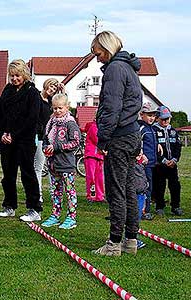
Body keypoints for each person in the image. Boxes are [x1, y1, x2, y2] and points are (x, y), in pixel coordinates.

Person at [91, 31, 142, 256]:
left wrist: (103, 138)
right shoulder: (129, 68)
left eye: (98, 53)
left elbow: (112, 107)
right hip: (132, 134)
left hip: (119, 137)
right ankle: (131, 240)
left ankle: (113, 244)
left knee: (116, 191)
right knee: (129, 189)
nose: (97, 58)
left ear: (107, 48)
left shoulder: (114, 69)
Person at [0, 59, 42, 221]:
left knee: (27, 174)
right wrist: (2, 133)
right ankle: (9, 205)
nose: (14, 79)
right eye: (12, 76)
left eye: (17, 75)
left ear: (24, 75)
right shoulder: (7, 90)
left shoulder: (32, 93)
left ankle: (34, 208)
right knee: (8, 175)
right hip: (6, 140)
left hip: (24, 140)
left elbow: (31, 119)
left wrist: (14, 134)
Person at [41, 93, 80, 229]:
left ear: (67, 107)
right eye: (55, 108)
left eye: (60, 108)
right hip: (53, 164)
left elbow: (75, 142)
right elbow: (46, 138)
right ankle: (55, 215)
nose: (57, 111)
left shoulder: (70, 123)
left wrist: (57, 147)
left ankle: (71, 217)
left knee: (69, 191)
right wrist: (45, 147)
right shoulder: (51, 123)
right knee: (56, 191)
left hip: (66, 164)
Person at [34, 78, 64, 203]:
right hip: (39, 137)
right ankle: (38, 195)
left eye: (54, 88)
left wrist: (63, 92)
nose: (52, 89)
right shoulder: (36, 98)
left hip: (50, 138)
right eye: (51, 86)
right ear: (46, 85)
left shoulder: (52, 103)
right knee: (38, 167)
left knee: (53, 167)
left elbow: (62, 108)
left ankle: (54, 194)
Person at [153, 105, 183, 216]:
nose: (166, 120)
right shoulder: (154, 131)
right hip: (160, 165)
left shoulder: (174, 131)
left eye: (168, 118)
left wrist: (174, 160)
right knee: (159, 186)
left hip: (172, 165)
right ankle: (159, 206)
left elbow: (178, 147)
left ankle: (176, 206)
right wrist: (164, 161)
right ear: (157, 118)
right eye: (163, 118)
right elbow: (154, 149)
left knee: (175, 186)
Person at [138, 102, 158, 220]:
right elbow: (137, 143)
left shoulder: (152, 129)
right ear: (142, 115)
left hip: (152, 163)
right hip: (144, 163)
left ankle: (147, 209)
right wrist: (141, 155)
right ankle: (144, 211)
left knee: (150, 186)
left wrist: (158, 146)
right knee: (145, 187)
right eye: (149, 115)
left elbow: (152, 142)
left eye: (153, 115)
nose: (151, 118)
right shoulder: (141, 128)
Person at [84, 119, 105, 202]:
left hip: (99, 156)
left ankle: (100, 196)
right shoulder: (94, 126)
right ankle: (91, 195)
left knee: (99, 177)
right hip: (91, 155)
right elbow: (97, 140)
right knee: (91, 176)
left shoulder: (102, 127)